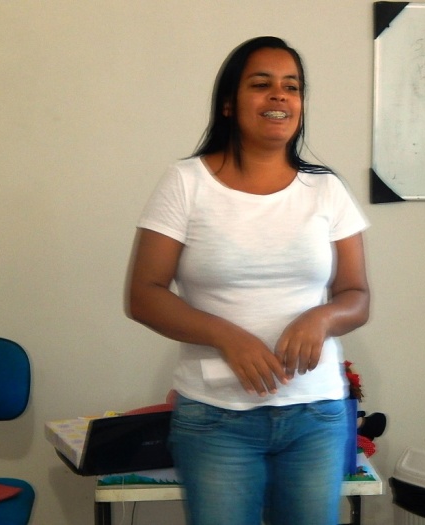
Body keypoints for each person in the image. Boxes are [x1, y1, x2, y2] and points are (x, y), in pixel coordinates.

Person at [127, 36, 370, 525]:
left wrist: (322, 319)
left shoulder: (326, 188)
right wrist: (227, 336)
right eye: (261, 84)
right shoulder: (186, 182)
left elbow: (356, 296)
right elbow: (144, 295)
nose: (279, 95)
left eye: (292, 87)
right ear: (228, 104)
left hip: (316, 413)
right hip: (215, 417)